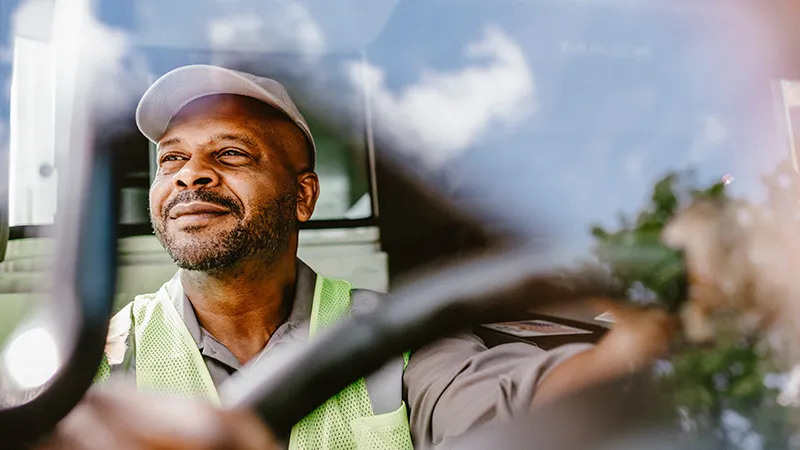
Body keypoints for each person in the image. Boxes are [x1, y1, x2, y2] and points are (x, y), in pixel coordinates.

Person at [41, 65, 676, 449]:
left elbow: (520, 402)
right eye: (172, 158)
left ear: (304, 196)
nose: (190, 177)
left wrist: (656, 344)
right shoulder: (91, 363)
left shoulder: (401, 341)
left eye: (231, 155)